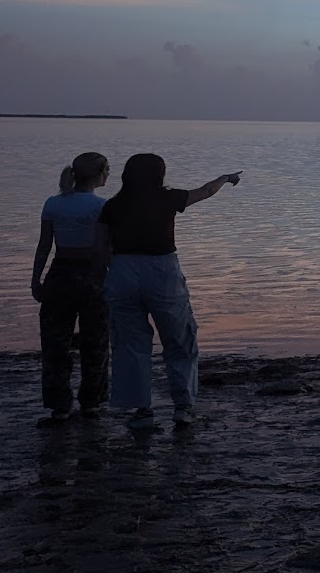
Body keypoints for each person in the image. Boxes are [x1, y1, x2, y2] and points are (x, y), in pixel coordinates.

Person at [98, 154, 241, 429]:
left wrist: (110, 274)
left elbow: (99, 246)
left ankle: (141, 409)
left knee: (130, 343)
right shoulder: (168, 198)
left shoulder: (113, 205)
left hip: (122, 270)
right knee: (179, 338)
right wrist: (226, 178)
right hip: (162, 271)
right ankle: (183, 406)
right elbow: (206, 191)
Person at [32, 152, 113, 426]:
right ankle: (91, 403)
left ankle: (60, 405)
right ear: (100, 174)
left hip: (60, 274)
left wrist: (36, 279)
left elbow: (45, 246)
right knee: (96, 342)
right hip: (92, 275)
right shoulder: (103, 206)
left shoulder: (53, 203)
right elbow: (107, 249)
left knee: (55, 343)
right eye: (107, 171)